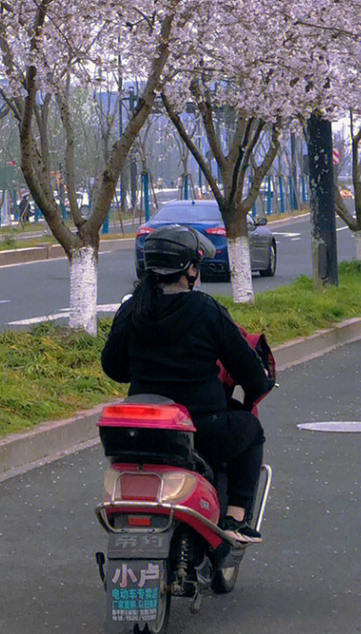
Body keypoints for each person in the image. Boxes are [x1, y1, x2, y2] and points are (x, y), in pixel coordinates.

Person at [101, 224, 275, 543]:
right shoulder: (205, 310)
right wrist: (259, 383)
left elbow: (113, 367)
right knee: (250, 430)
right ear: (190, 269)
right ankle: (235, 519)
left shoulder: (131, 309)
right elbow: (249, 372)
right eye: (197, 264)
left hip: (140, 434)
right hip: (203, 432)